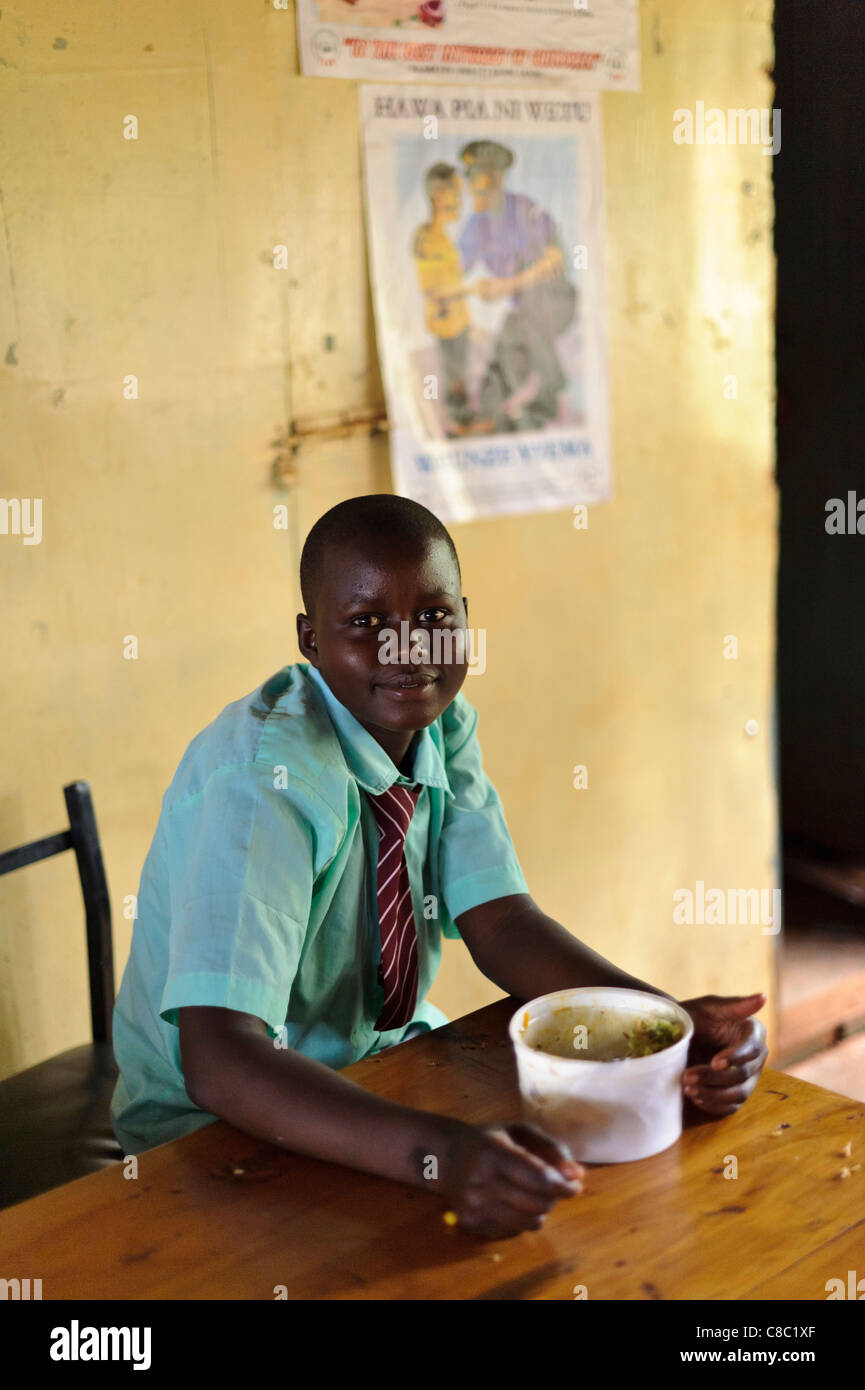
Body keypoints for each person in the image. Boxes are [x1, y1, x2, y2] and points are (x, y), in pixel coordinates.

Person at [111, 494, 769, 1241]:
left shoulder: (440, 727)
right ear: (310, 640)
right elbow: (221, 1061)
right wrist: (440, 1156)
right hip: (213, 1127)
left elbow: (503, 921)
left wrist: (665, 1027)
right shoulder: (266, 782)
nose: (407, 651)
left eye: (432, 617)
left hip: (372, 1061)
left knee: (614, 1209)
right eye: (364, 624)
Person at [458, 140, 579, 433]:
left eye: (489, 177)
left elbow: (555, 261)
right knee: (505, 353)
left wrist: (506, 286)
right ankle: (489, 415)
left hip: (555, 301)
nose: (480, 185)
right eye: (474, 177)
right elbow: (456, 271)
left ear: (499, 178)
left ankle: (546, 399)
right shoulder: (477, 225)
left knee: (529, 309)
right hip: (523, 312)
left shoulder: (525, 210)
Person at [412, 163, 474, 434]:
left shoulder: (445, 238)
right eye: (455, 194)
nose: (460, 201)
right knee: (454, 376)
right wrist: (472, 289)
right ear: (439, 195)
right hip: (446, 323)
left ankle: (461, 421)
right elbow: (433, 290)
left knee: (460, 372)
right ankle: (455, 424)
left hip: (459, 321)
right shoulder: (427, 239)